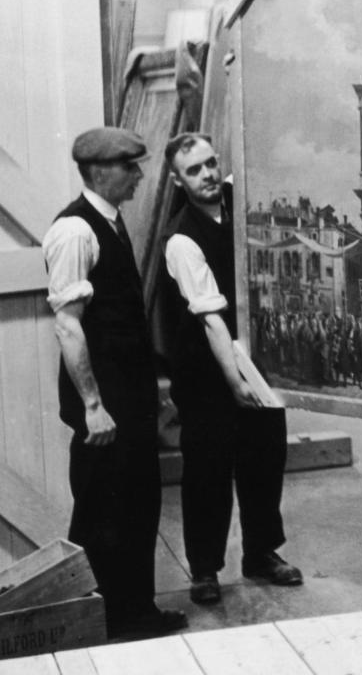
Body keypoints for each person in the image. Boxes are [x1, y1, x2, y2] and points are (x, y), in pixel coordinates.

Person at [43, 127, 188, 639]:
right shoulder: (75, 232)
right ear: (101, 171)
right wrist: (92, 405)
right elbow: (68, 324)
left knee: (135, 506)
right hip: (105, 409)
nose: (139, 175)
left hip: (128, 402)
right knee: (105, 513)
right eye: (131, 166)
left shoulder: (111, 222)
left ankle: (133, 613)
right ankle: (101, 622)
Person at [162, 133, 303, 605]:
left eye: (209, 165)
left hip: (256, 361)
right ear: (177, 180)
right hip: (206, 371)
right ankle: (205, 569)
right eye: (193, 171)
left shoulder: (238, 204)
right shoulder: (182, 238)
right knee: (208, 469)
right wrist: (233, 380)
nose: (205, 176)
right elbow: (211, 320)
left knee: (265, 458)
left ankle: (261, 553)